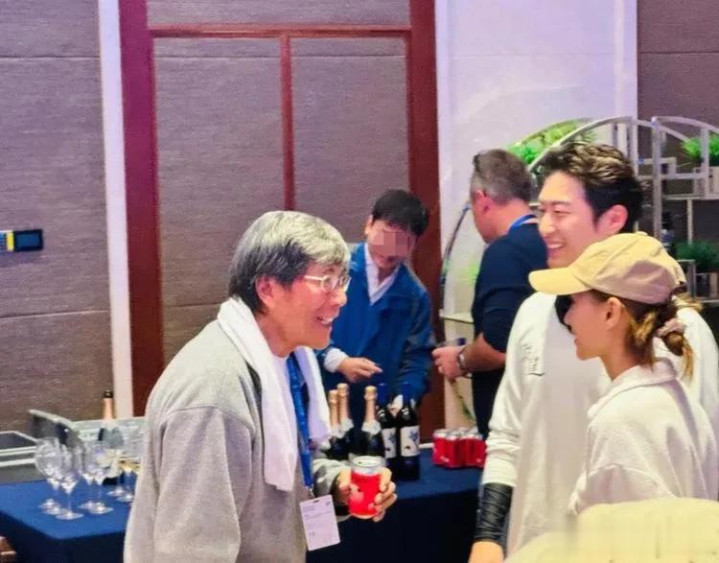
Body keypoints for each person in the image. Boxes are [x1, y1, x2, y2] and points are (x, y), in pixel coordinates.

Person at [470, 143, 719, 562]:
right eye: (541, 210)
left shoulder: (678, 333)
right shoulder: (533, 313)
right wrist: (488, 538)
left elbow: (705, 468)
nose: (544, 226)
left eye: (560, 212)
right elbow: (508, 436)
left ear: (613, 219)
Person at [125, 211, 397, 562]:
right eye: (326, 280)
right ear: (268, 289)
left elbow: (277, 473)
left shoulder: (283, 361)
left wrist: (335, 484)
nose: (341, 297)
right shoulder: (215, 392)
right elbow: (191, 553)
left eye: (342, 279)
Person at [529, 232, 718, 513]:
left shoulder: (622, 421)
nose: (567, 317)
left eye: (575, 301)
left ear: (611, 312)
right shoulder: (675, 401)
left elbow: (641, 537)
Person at [432, 149, 547, 436]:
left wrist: (460, 360)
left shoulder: (505, 251)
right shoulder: (551, 244)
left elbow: (498, 346)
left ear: (482, 199)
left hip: (511, 425)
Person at [318, 189, 434, 426]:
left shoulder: (414, 295)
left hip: (377, 414)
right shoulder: (332, 269)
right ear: (369, 225)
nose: (390, 249)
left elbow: (417, 359)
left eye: (402, 242)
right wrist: (338, 361)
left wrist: (404, 399)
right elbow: (298, 326)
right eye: (385, 236)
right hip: (324, 403)